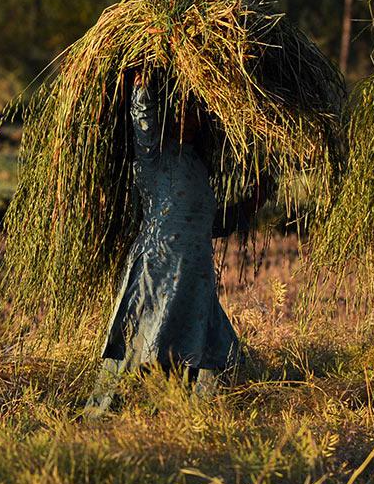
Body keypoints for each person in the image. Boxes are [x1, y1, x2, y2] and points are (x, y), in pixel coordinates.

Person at [82, 73, 264, 416]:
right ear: (169, 115)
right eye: (182, 111)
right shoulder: (154, 157)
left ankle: (193, 414)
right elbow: (144, 122)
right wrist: (142, 85)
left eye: (195, 112)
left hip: (195, 274)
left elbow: (207, 224)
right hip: (158, 267)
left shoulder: (199, 167)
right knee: (140, 338)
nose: (190, 118)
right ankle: (109, 412)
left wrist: (252, 203)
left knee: (211, 349)